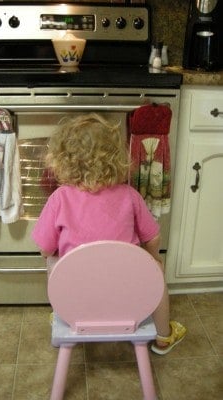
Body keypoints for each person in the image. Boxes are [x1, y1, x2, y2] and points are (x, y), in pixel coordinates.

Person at [32, 113, 186, 355]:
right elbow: (153, 238)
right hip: (126, 296)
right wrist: (151, 255)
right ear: (117, 159)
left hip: (78, 295)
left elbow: (45, 249)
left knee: (52, 262)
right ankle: (163, 335)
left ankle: (63, 311)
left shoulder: (59, 198)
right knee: (155, 265)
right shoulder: (129, 195)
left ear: (63, 160)